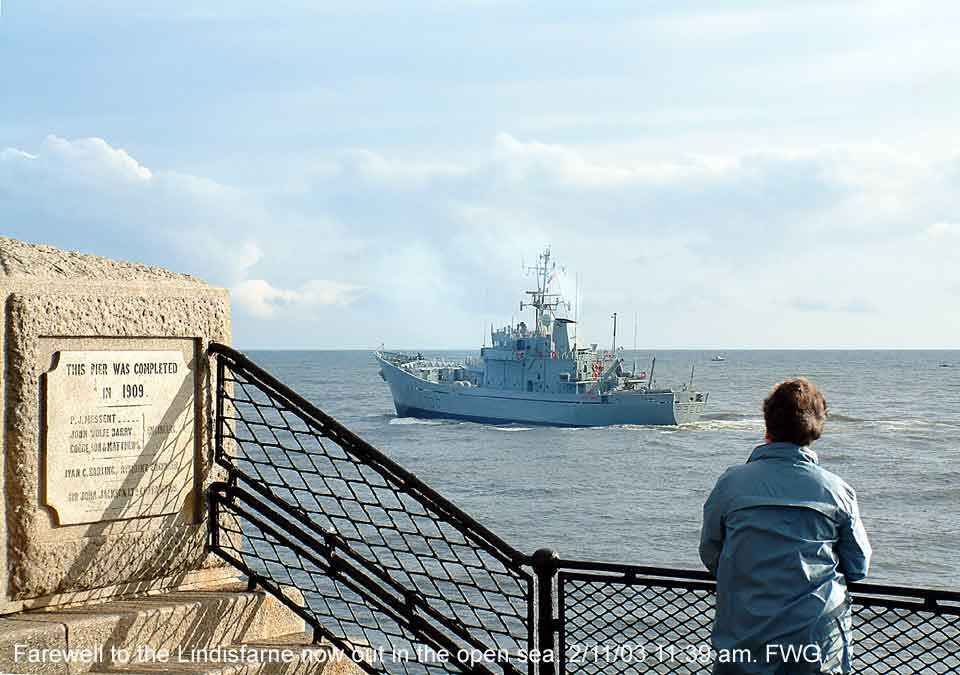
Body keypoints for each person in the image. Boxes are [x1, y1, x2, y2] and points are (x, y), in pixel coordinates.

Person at [699, 378, 871, 674]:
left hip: (743, 637)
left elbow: (711, 552)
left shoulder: (731, 484)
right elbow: (858, 566)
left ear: (768, 425)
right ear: (815, 430)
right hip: (816, 639)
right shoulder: (836, 490)